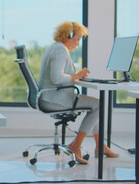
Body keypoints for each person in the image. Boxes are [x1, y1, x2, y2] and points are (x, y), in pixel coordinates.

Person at [37, 21, 119, 164]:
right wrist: (76, 76)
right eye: (78, 39)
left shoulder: (56, 47)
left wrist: (77, 76)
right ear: (68, 35)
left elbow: (59, 76)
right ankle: (76, 146)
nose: (78, 44)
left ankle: (100, 146)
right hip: (54, 99)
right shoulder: (60, 50)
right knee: (98, 105)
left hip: (50, 96)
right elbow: (57, 78)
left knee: (96, 105)